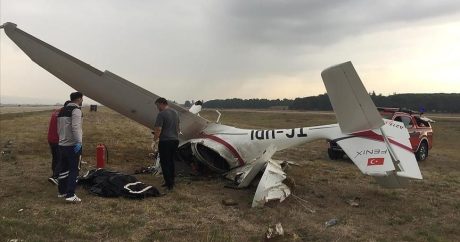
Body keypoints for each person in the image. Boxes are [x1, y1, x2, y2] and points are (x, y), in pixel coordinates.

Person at [56, 92, 84, 202]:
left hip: (62, 144)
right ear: (80, 99)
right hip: (72, 145)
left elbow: (58, 128)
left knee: (63, 168)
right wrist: (79, 142)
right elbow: (76, 127)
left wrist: (61, 139)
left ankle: (62, 192)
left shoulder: (62, 110)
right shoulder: (76, 110)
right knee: (74, 170)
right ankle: (70, 194)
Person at [153, 97, 180, 190]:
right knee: (171, 161)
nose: (157, 108)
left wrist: (155, 140)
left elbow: (158, 129)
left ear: (161, 104)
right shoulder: (175, 113)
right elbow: (178, 127)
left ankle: (169, 184)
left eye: (157, 106)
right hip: (175, 140)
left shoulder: (161, 114)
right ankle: (171, 181)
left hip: (165, 141)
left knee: (164, 162)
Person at [47, 101, 70, 185]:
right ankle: (55, 177)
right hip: (58, 140)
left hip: (51, 139)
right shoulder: (64, 114)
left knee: (55, 158)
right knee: (62, 158)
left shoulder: (56, 112)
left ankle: (54, 174)